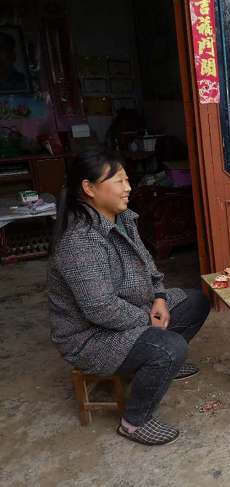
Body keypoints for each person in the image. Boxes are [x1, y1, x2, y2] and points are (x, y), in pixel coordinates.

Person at [48, 151, 210, 445]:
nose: (128, 188)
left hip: (137, 309)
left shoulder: (123, 219)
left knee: (197, 302)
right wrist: (147, 321)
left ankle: (155, 365)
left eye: (127, 180)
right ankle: (134, 422)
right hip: (92, 336)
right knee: (170, 348)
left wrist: (159, 298)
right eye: (119, 181)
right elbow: (100, 309)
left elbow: (149, 266)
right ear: (89, 188)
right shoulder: (79, 242)